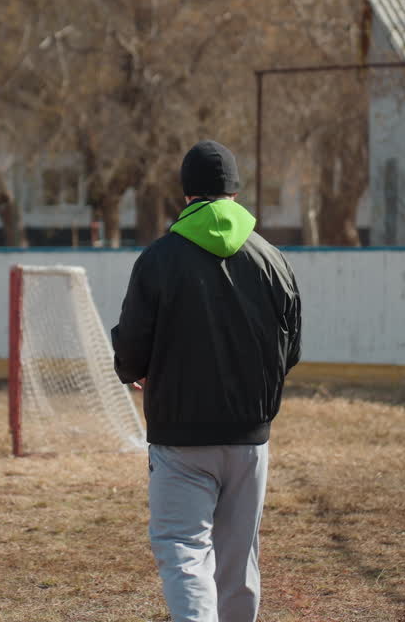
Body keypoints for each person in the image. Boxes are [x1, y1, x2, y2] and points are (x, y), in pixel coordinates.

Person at [111, 139, 302, 622]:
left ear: (186, 194)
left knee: (183, 548)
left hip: (180, 435)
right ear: (235, 193)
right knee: (238, 560)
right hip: (249, 436)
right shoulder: (272, 258)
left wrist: (136, 370)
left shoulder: (158, 258)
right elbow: (291, 349)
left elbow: (132, 342)